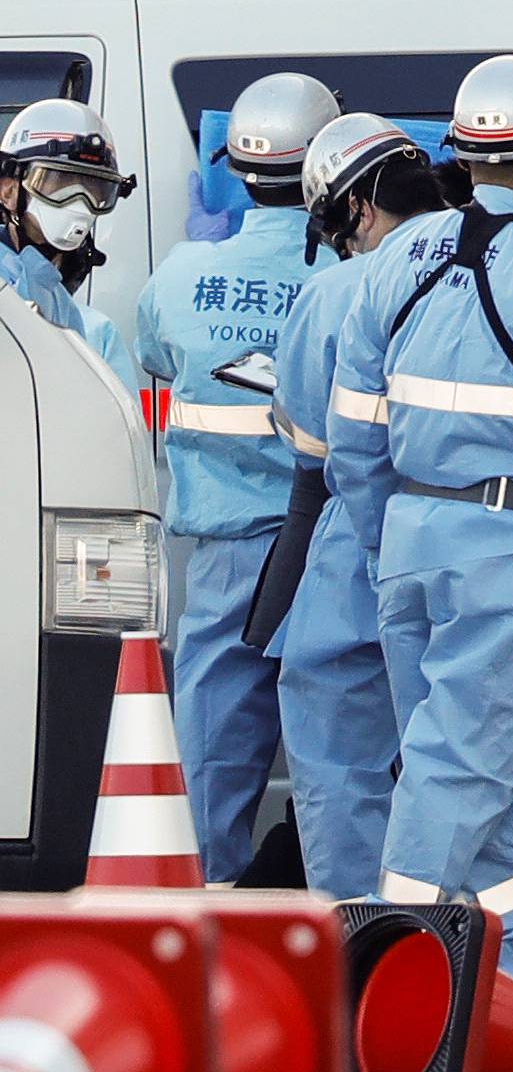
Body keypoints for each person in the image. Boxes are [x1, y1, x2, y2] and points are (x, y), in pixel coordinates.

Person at [327, 54, 513, 1000]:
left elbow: (351, 438)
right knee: (461, 773)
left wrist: (390, 534)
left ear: (459, 155)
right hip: (510, 555)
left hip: (413, 544)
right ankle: (376, 973)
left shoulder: (393, 262)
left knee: (490, 786)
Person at [136, 71, 339, 883]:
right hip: (327, 541)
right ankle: (344, 928)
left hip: (226, 554)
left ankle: (205, 915)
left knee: (212, 754)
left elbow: (156, 352)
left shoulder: (184, 274)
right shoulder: (347, 278)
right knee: (338, 752)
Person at [271, 113, 445, 899]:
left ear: (358, 211)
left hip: (365, 527)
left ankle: (360, 954)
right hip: (499, 532)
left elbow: (314, 438)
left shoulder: (340, 286)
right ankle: (477, 958)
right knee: (463, 757)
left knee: (335, 733)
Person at [0, 98, 137, 336]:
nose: (80, 204)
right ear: (9, 191)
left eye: (96, 189)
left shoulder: (57, 298)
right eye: (60, 182)